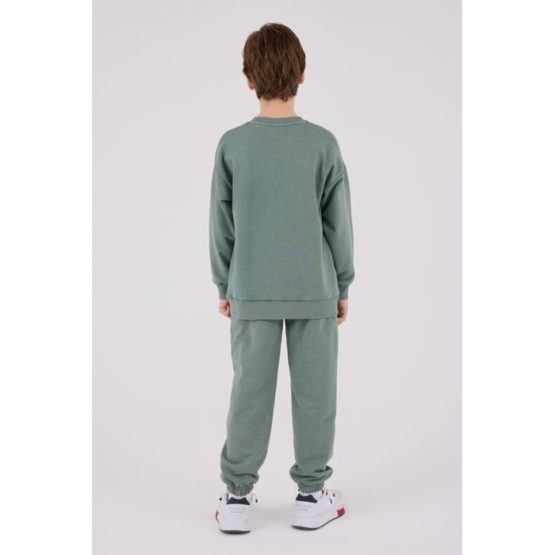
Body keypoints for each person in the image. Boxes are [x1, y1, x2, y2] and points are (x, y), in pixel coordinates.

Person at [209, 23, 355, 533]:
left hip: (250, 288)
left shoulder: (233, 145)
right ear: (303, 75)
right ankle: (312, 495)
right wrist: (342, 284)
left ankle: (237, 498)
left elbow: (221, 224)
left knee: (249, 392)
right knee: (316, 393)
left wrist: (224, 283)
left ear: (249, 79)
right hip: (314, 289)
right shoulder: (323, 144)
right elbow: (339, 223)